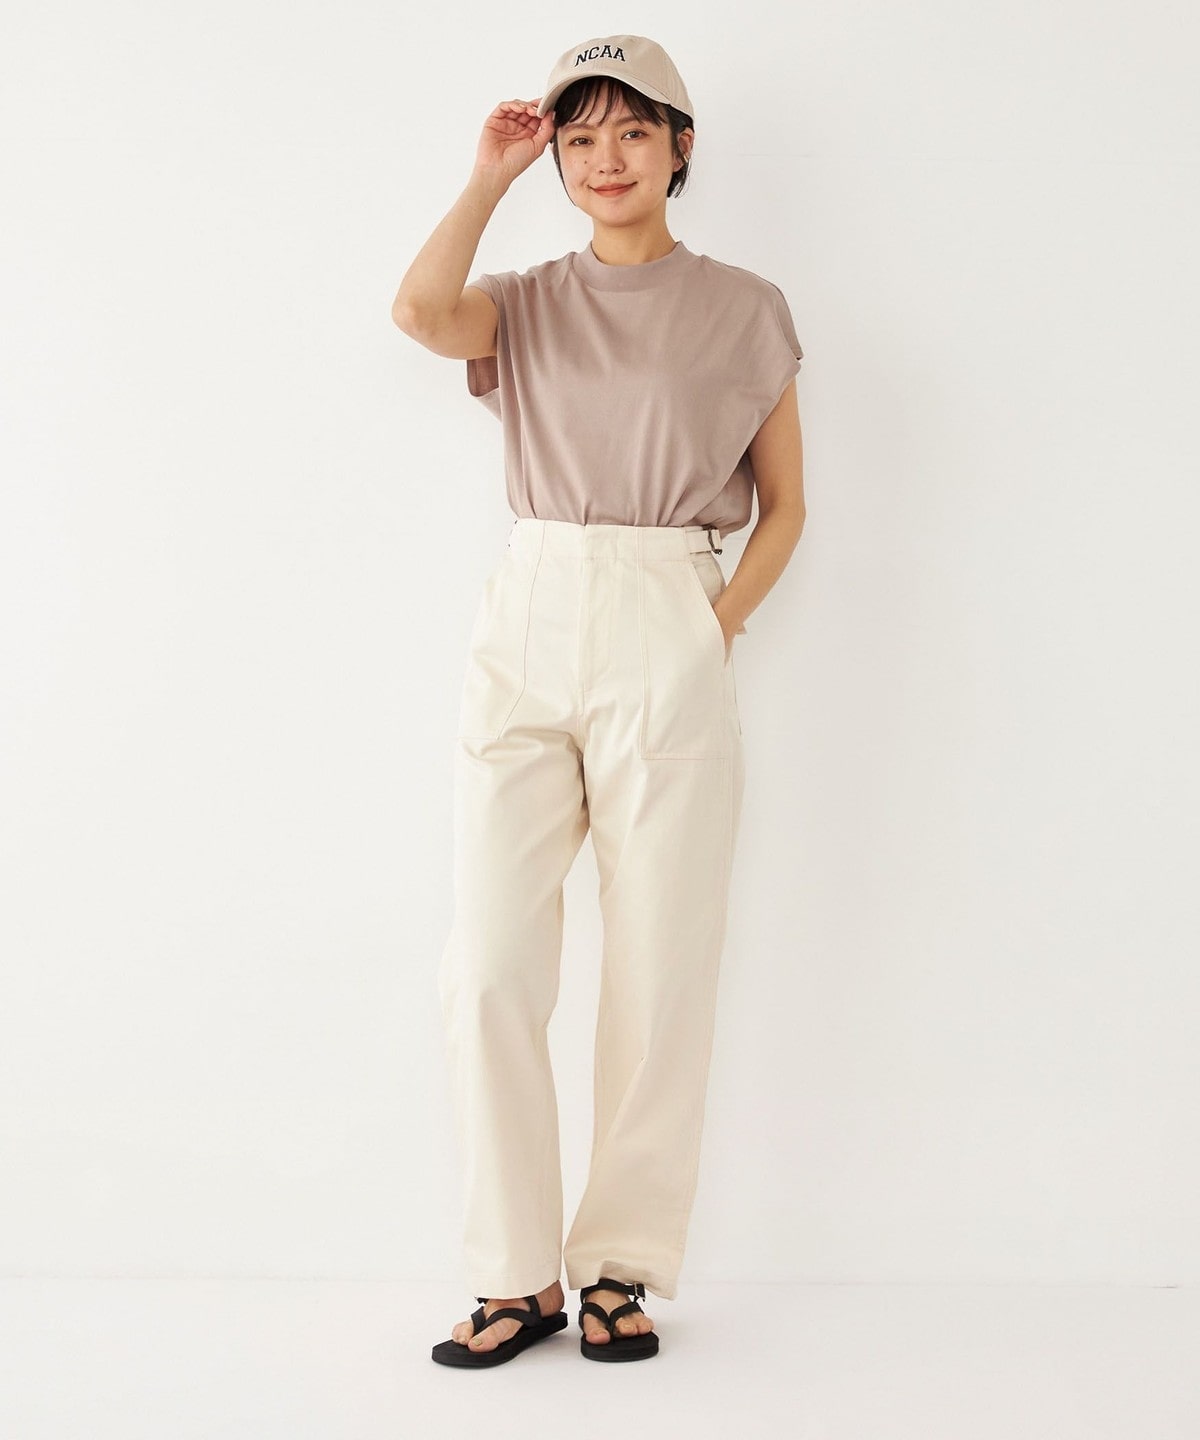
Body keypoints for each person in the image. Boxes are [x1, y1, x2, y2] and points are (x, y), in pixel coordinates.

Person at [392, 34, 806, 1367]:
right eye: (580, 139)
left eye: (632, 131)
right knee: (489, 964)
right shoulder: (523, 301)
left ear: (680, 146)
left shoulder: (745, 308)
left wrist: (709, 631)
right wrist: (489, 178)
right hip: (534, 606)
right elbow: (418, 313)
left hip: (668, 606)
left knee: (660, 961)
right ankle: (514, 1276)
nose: (604, 159)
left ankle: (619, 1265)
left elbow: (787, 507)